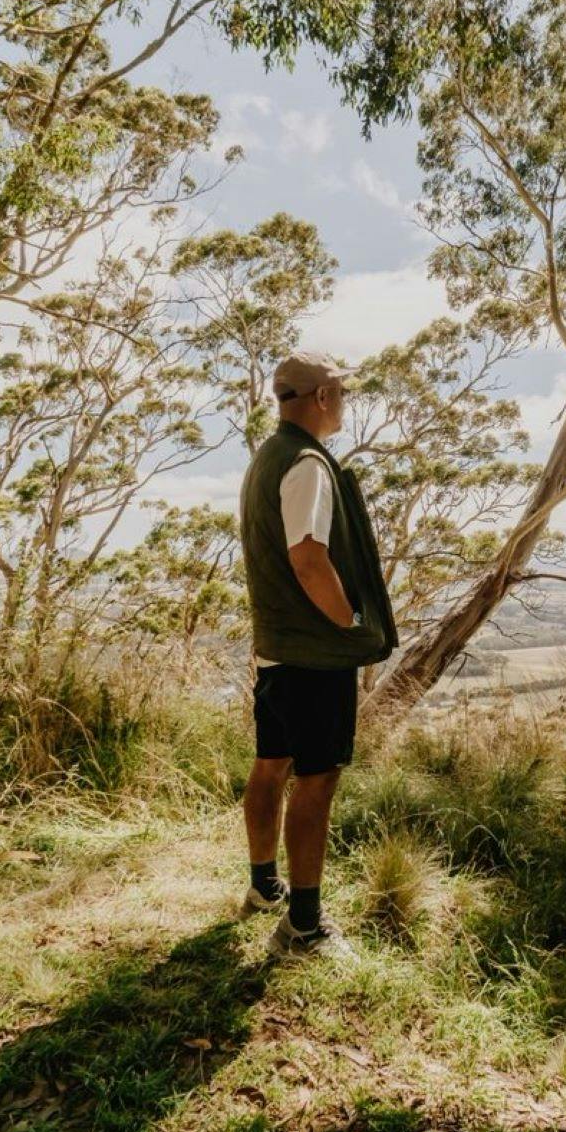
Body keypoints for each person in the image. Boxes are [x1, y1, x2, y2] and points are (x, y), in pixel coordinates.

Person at [238, 351, 397, 957]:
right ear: (323, 397)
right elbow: (308, 557)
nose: (346, 404)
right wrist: (350, 624)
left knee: (271, 763)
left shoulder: (265, 459)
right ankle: (303, 927)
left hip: (278, 650)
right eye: (343, 392)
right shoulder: (307, 463)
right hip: (313, 656)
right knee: (317, 779)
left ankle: (262, 887)